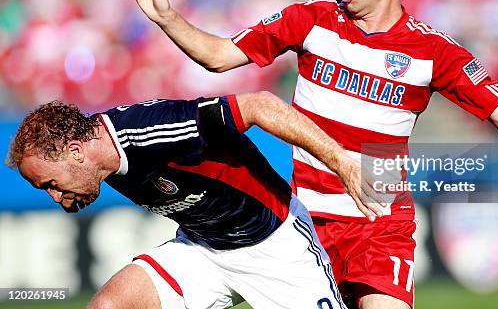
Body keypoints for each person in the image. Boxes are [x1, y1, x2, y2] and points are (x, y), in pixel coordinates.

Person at [126, 0, 498, 308]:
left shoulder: (433, 51)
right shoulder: (309, 19)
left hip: (380, 223)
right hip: (305, 223)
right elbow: (219, 56)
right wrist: (168, 17)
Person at [6, 91, 384, 309]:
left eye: (51, 184)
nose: (57, 197)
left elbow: (259, 105)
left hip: (275, 245)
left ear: (75, 152)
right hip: (201, 249)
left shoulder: (153, 129)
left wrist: (341, 163)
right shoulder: (96, 161)